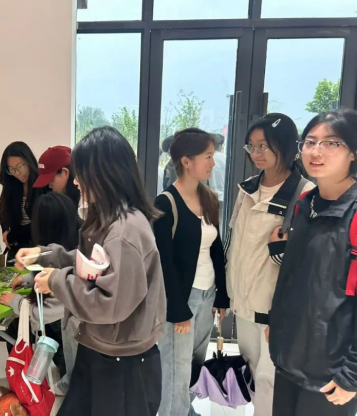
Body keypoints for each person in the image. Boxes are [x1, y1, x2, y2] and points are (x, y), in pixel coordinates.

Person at [15, 126, 166, 416]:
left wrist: (56, 281)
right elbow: (91, 264)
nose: (76, 181)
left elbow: (110, 304)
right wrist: (45, 255)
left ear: (104, 174)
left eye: (81, 173)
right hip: (102, 349)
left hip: (122, 363)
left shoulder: (125, 232)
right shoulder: (108, 218)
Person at [269, 109, 357, 416]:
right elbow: (295, 278)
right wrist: (277, 326)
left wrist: (351, 374)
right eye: (309, 141)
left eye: (331, 143)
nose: (316, 151)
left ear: (353, 153)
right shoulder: (305, 205)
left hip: (330, 373)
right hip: (289, 359)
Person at [226, 113, 315, 416]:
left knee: (270, 381)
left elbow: (306, 263)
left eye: (264, 146)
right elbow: (234, 243)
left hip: (274, 309)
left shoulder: (304, 194)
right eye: (251, 146)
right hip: (243, 304)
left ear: (285, 146)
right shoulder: (247, 188)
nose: (256, 153)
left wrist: (279, 250)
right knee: (252, 373)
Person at [153, 128, 229, 416]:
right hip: (182, 299)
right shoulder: (166, 202)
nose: (213, 163)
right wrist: (177, 310)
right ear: (186, 161)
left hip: (207, 294)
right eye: (207, 156)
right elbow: (164, 263)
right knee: (176, 366)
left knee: (195, 362)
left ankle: (183, 409)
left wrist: (222, 295)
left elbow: (216, 248)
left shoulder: (208, 197)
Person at [0, 192, 82, 385]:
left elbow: (45, 312)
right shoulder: (76, 246)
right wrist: (28, 278)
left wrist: (16, 302)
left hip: (74, 336)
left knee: (74, 374)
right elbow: (56, 264)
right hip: (73, 335)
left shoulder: (66, 271)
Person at [0, 142, 46, 262]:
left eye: (20, 167)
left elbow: (41, 222)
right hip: (15, 247)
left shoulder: (43, 184)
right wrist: (5, 230)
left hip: (37, 247)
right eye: (11, 169)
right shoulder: (12, 185)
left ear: (28, 161)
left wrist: (13, 235)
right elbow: (3, 207)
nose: (17, 173)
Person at [209, 133, 226, 222]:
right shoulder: (225, 158)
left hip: (210, 196)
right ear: (220, 146)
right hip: (224, 196)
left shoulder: (207, 158)